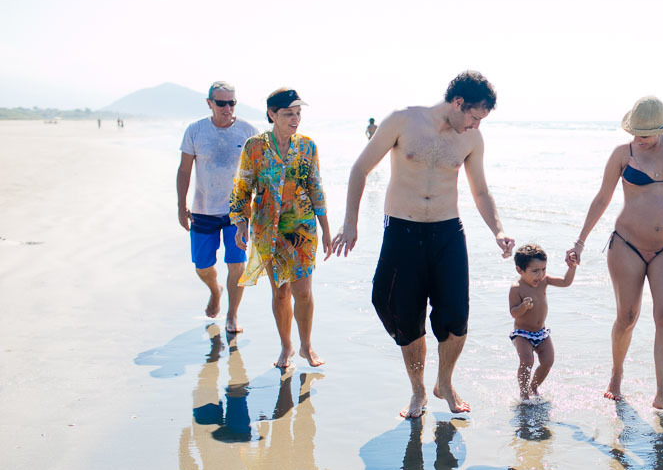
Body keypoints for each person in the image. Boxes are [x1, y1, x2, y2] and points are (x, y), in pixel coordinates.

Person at [331, 71, 514, 418]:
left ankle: (444, 382)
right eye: (474, 117)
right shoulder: (403, 121)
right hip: (403, 230)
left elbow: (480, 191)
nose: (476, 125)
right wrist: (350, 223)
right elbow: (360, 169)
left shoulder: (472, 140)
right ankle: (418, 391)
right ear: (458, 103)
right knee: (403, 313)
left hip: (448, 232)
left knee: (456, 316)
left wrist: (498, 231)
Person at [566, 95, 663, 418]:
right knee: (627, 316)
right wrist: (580, 242)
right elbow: (602, 198)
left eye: (646, 133)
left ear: (662, 128)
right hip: (627, 245)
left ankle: (662, 393)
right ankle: (616, 373)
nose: (639, 138)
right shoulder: (622, 154)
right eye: (635, 132)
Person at [230, 88, 332, 369]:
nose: (295, 119)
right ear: (272, 115)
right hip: (267, 230)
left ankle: (306, 345)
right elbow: (242, 188)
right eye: (289, 114)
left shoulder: (308, 147)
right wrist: (240, 224)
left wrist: (326, 229)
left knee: (303, 292)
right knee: (280, 292)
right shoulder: (254, 147)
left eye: (298, 113)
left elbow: (316, 188)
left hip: (302, 229)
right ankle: (286, 346)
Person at [176, 81, 258, 332]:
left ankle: (232, 315)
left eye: (231, 103)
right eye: (221, 103)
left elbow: (261, 172)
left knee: (236, 263)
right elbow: (184, 170)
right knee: (202, 266)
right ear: (209, 103)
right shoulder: (195, 131)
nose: (227, 108)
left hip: (238, 212)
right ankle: (215, 289)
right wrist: (181, 206)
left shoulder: (248, 131)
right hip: (203, 210)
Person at [508, 243, 576, 402]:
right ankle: (524, 393)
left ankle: (533, 386)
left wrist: (572, 267)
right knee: (527, 361)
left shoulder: (544, 281)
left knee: (548, 361)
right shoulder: (516, 288)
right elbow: (513, 313)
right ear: (519, 270)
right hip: (522, 334)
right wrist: (523, 307)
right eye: (535, 271)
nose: (540, 275)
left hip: (541, 332)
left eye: (543, 269)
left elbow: (566, 282)